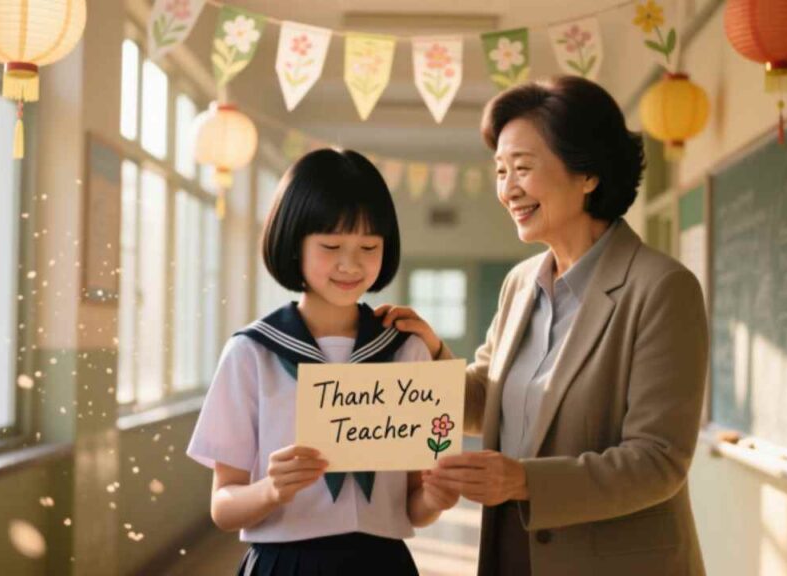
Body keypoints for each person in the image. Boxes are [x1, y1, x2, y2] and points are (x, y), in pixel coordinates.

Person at [378, 76, 709, 575]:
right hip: (514, 550)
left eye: (523, 168)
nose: (508, 189)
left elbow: (658, 461)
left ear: (588, 174)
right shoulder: (520, 284)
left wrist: (523, 481)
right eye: (500, 170)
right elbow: (488, 403)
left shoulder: (661, 288)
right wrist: (432, 352)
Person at [187, 148, 458, 576]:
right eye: (331, 245)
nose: (351, 264)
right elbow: (223, 506)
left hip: (382, 564)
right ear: (293, 244)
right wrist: (271, 490)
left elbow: (412, 505)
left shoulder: (406, 351)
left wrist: (436, 499)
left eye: (369, 246)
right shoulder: (252, 354)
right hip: (283, 564)